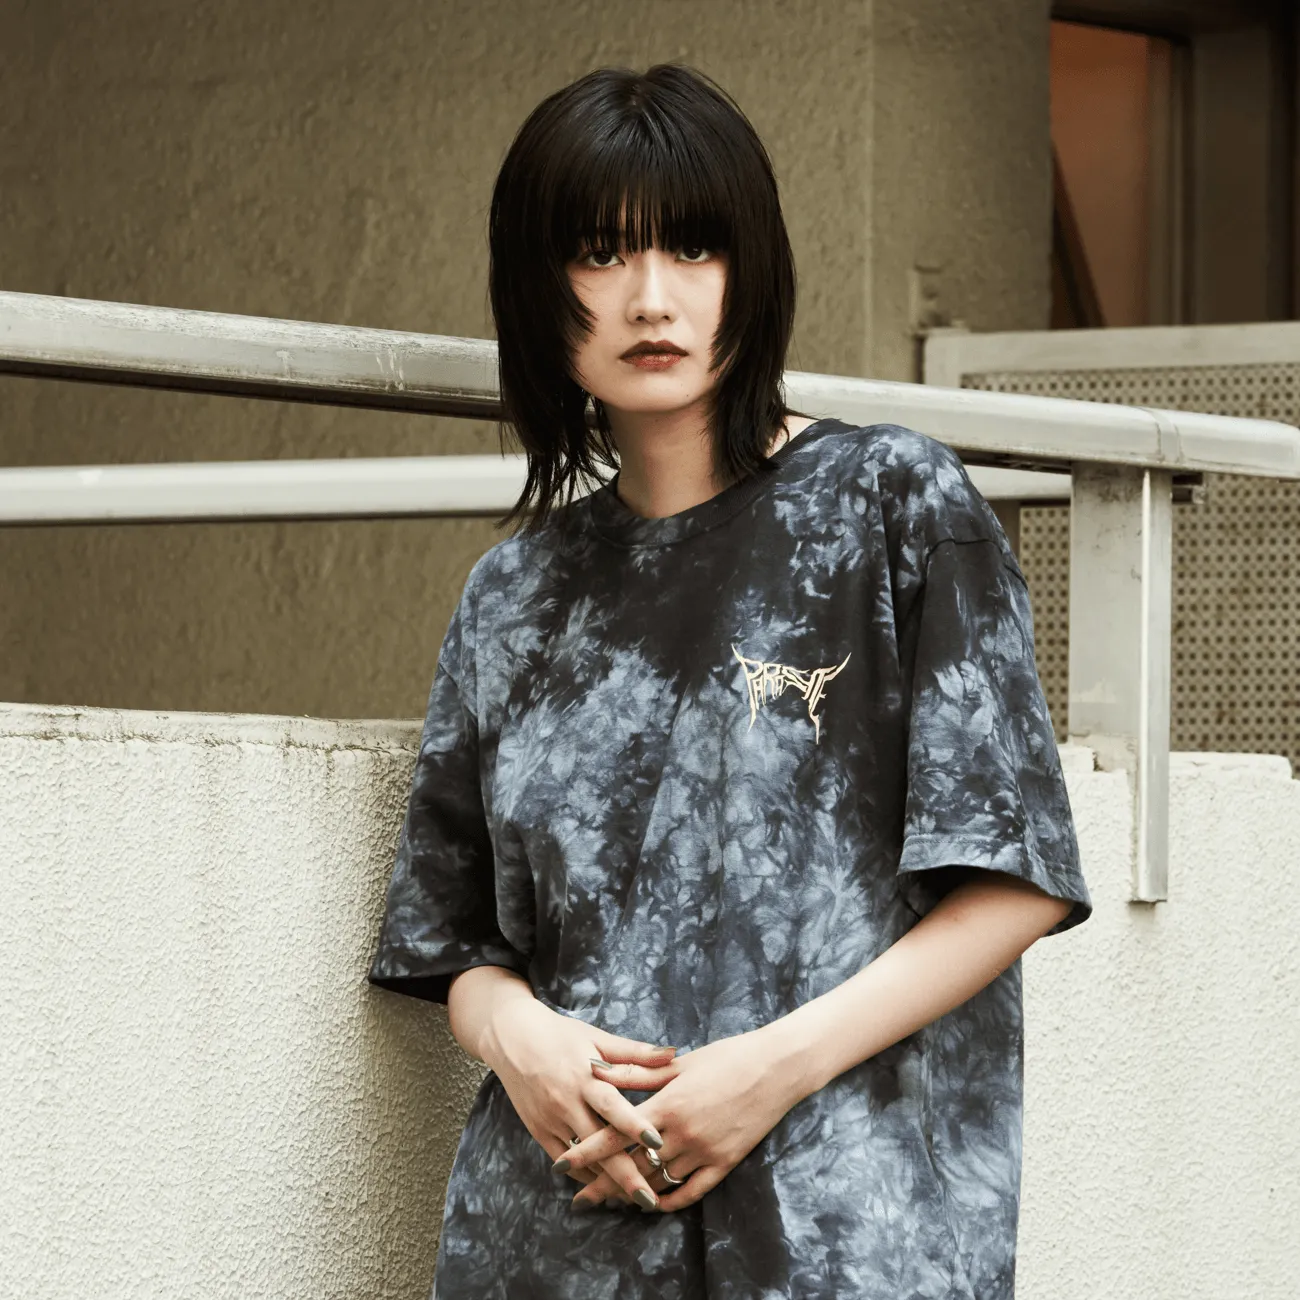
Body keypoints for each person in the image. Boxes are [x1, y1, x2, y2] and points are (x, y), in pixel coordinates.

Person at [367, 61, 1092, 1299]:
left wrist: (764, 1073)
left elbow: (1011, 881)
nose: (651, 297)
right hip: (557, 1237)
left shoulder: (890, 504)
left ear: (752, 268)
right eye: (600, 253)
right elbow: (456, 940)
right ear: (538, 286)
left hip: (841, 1232)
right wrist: (522, 1041)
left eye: (693, 249)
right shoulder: (515, 594)